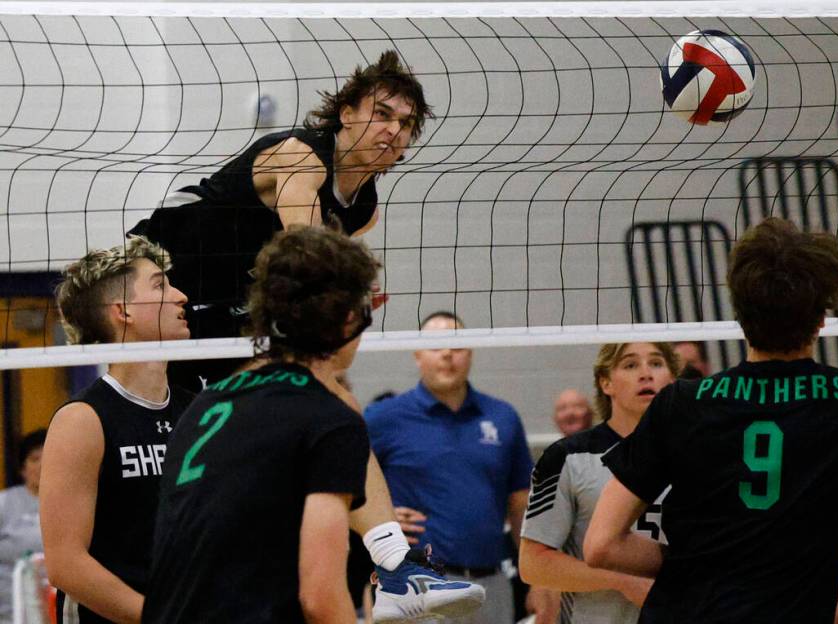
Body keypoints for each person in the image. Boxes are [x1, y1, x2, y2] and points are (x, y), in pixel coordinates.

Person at [584, 217, 838, 624]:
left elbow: (600, 545)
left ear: (739, 314)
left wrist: (699, 560)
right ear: (822, 317)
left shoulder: (681, 402)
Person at [142, 227, 481, 623]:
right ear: (351, 319)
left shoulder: (204, 404)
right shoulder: (328, 419)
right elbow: (320, 597)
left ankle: (395, 568)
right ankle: (395, 570)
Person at [131, 49, 432, 391]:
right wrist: (347, 288)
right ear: (347, 114)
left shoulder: (364, 210)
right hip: (161, 259)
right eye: (382, 114)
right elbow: (308, 262)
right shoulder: (301, 158)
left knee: (232, 394)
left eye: (405, 123)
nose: (393, 130)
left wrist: (351, 292)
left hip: (225, 296)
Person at [41, 236, 196, 624]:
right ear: (123, 310)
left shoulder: (197, 409)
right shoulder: (83, 420)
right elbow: (65, 564)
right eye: (160, 285)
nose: (181, 296)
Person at [365, 311, 545, 624]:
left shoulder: (503, 417)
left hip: (491, 584)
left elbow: (521, 506)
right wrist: (380, 520)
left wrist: (540, 579)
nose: (448, 354)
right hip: (415, 584)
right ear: (417, 354)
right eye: (436, 346)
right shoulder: (383, 418)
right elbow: (349, 488)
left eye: (457, 345)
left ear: (471, 351)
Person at [520, 343, 679, 623]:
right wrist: (623, 582)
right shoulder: (567, 457)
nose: (646, 374)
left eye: (656, 363)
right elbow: (533, 564)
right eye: (630, 365)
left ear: (673, 379)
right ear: (606, 383)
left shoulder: (696, 453)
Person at [0, 429, 46, 624]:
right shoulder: (4, 503)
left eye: (49, 456)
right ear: (23, 469)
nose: (43, 465)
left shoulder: (76, 503)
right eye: (35, 459)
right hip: (9, 613)